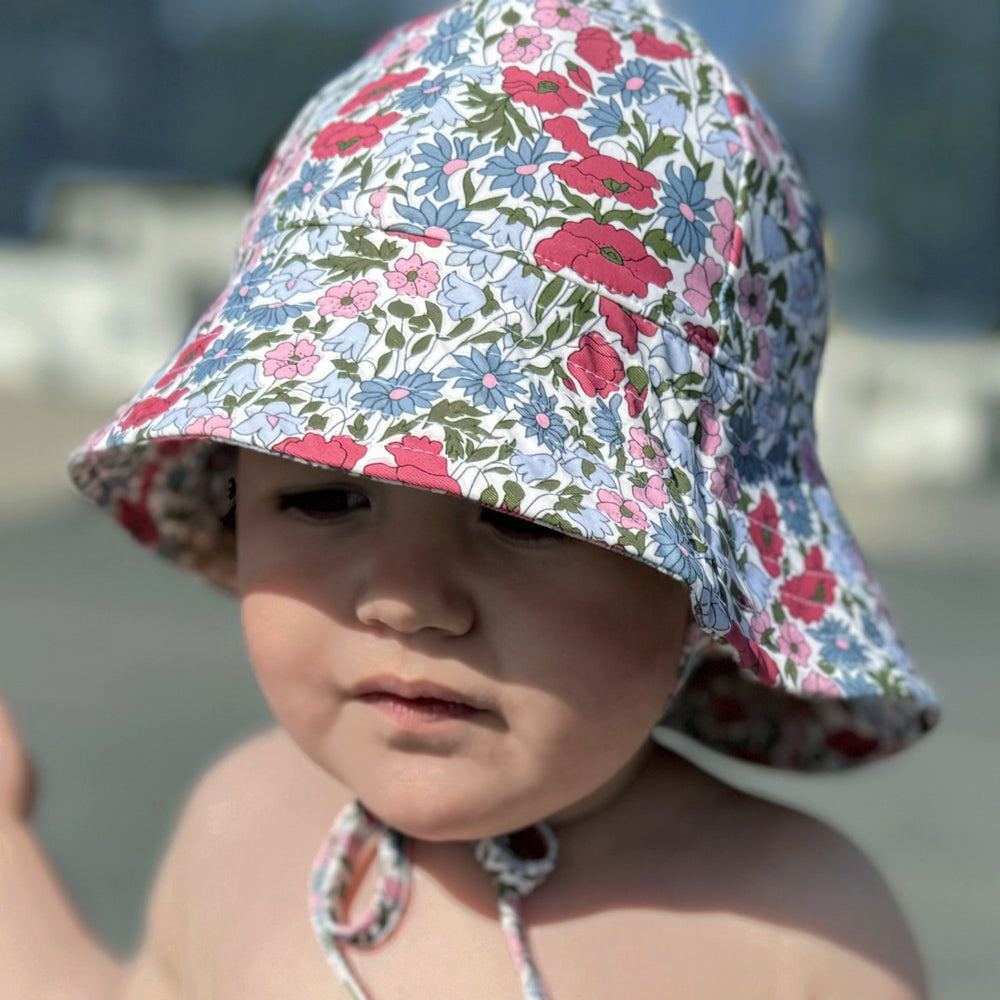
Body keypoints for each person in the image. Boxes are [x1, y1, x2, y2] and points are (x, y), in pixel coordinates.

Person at [0, 0, 940, 996]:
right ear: (235, 500)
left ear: (708, 589)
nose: (406, 599)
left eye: (523, 517)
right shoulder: (239, 824)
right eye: (322, 502)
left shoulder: (797, 934)